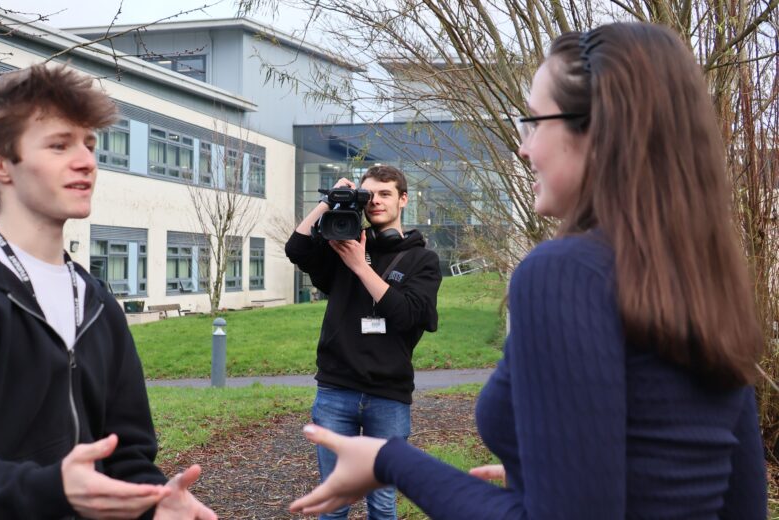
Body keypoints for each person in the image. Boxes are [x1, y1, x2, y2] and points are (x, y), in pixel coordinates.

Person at [289, 22, 767, 519]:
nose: (523, 148)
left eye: (536, 123)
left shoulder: (565, 273)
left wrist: (393, 460)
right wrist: (544, 476)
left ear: (599, 132)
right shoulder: (701, 277)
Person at [0, 64, 216, 520]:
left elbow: (127, 456)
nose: (87, 161)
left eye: (90, 145)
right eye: (59, 145)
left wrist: (154, 502)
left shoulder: (97, 305)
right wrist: (51, 489)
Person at [284, 165, 442, 519]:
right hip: (336, 389)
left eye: (385, 194)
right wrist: (328, 203)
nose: (376, 201)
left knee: (382, 502)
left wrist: (361, 266)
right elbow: (296, 248)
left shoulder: (423, 260)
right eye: (369, 195)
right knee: (334, 500)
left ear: (403, 199)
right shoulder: (344, 242)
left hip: (389, 394)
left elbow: (405, 315)